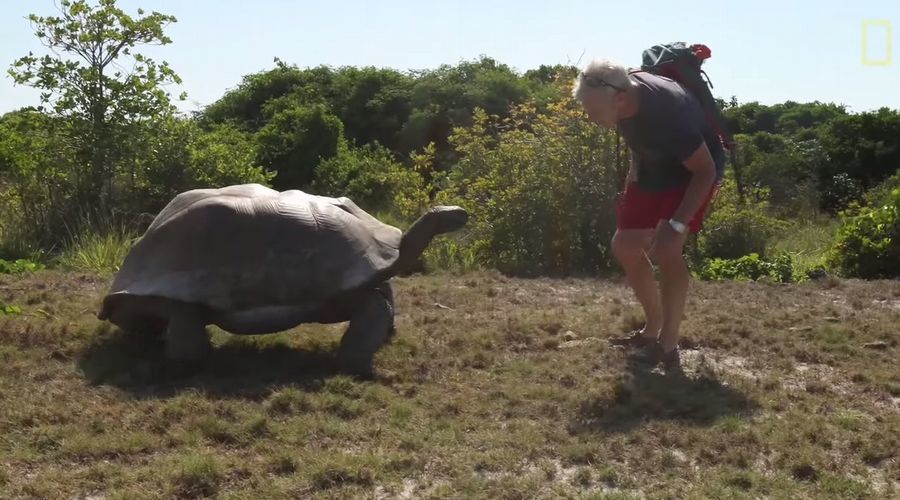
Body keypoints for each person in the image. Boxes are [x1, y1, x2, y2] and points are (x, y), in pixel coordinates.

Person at [572, 59, 725, 370]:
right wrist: (631, 187)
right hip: (654, 169)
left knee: (667, 249)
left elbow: (704, 170)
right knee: (625, 246)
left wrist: (678, 223)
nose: (589, 118)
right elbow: (638, 145)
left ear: (620, 99)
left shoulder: (666, 113)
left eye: (592, 111)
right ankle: (651, 331)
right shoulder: (622, 98)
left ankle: (668, 345)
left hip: (693, 172)